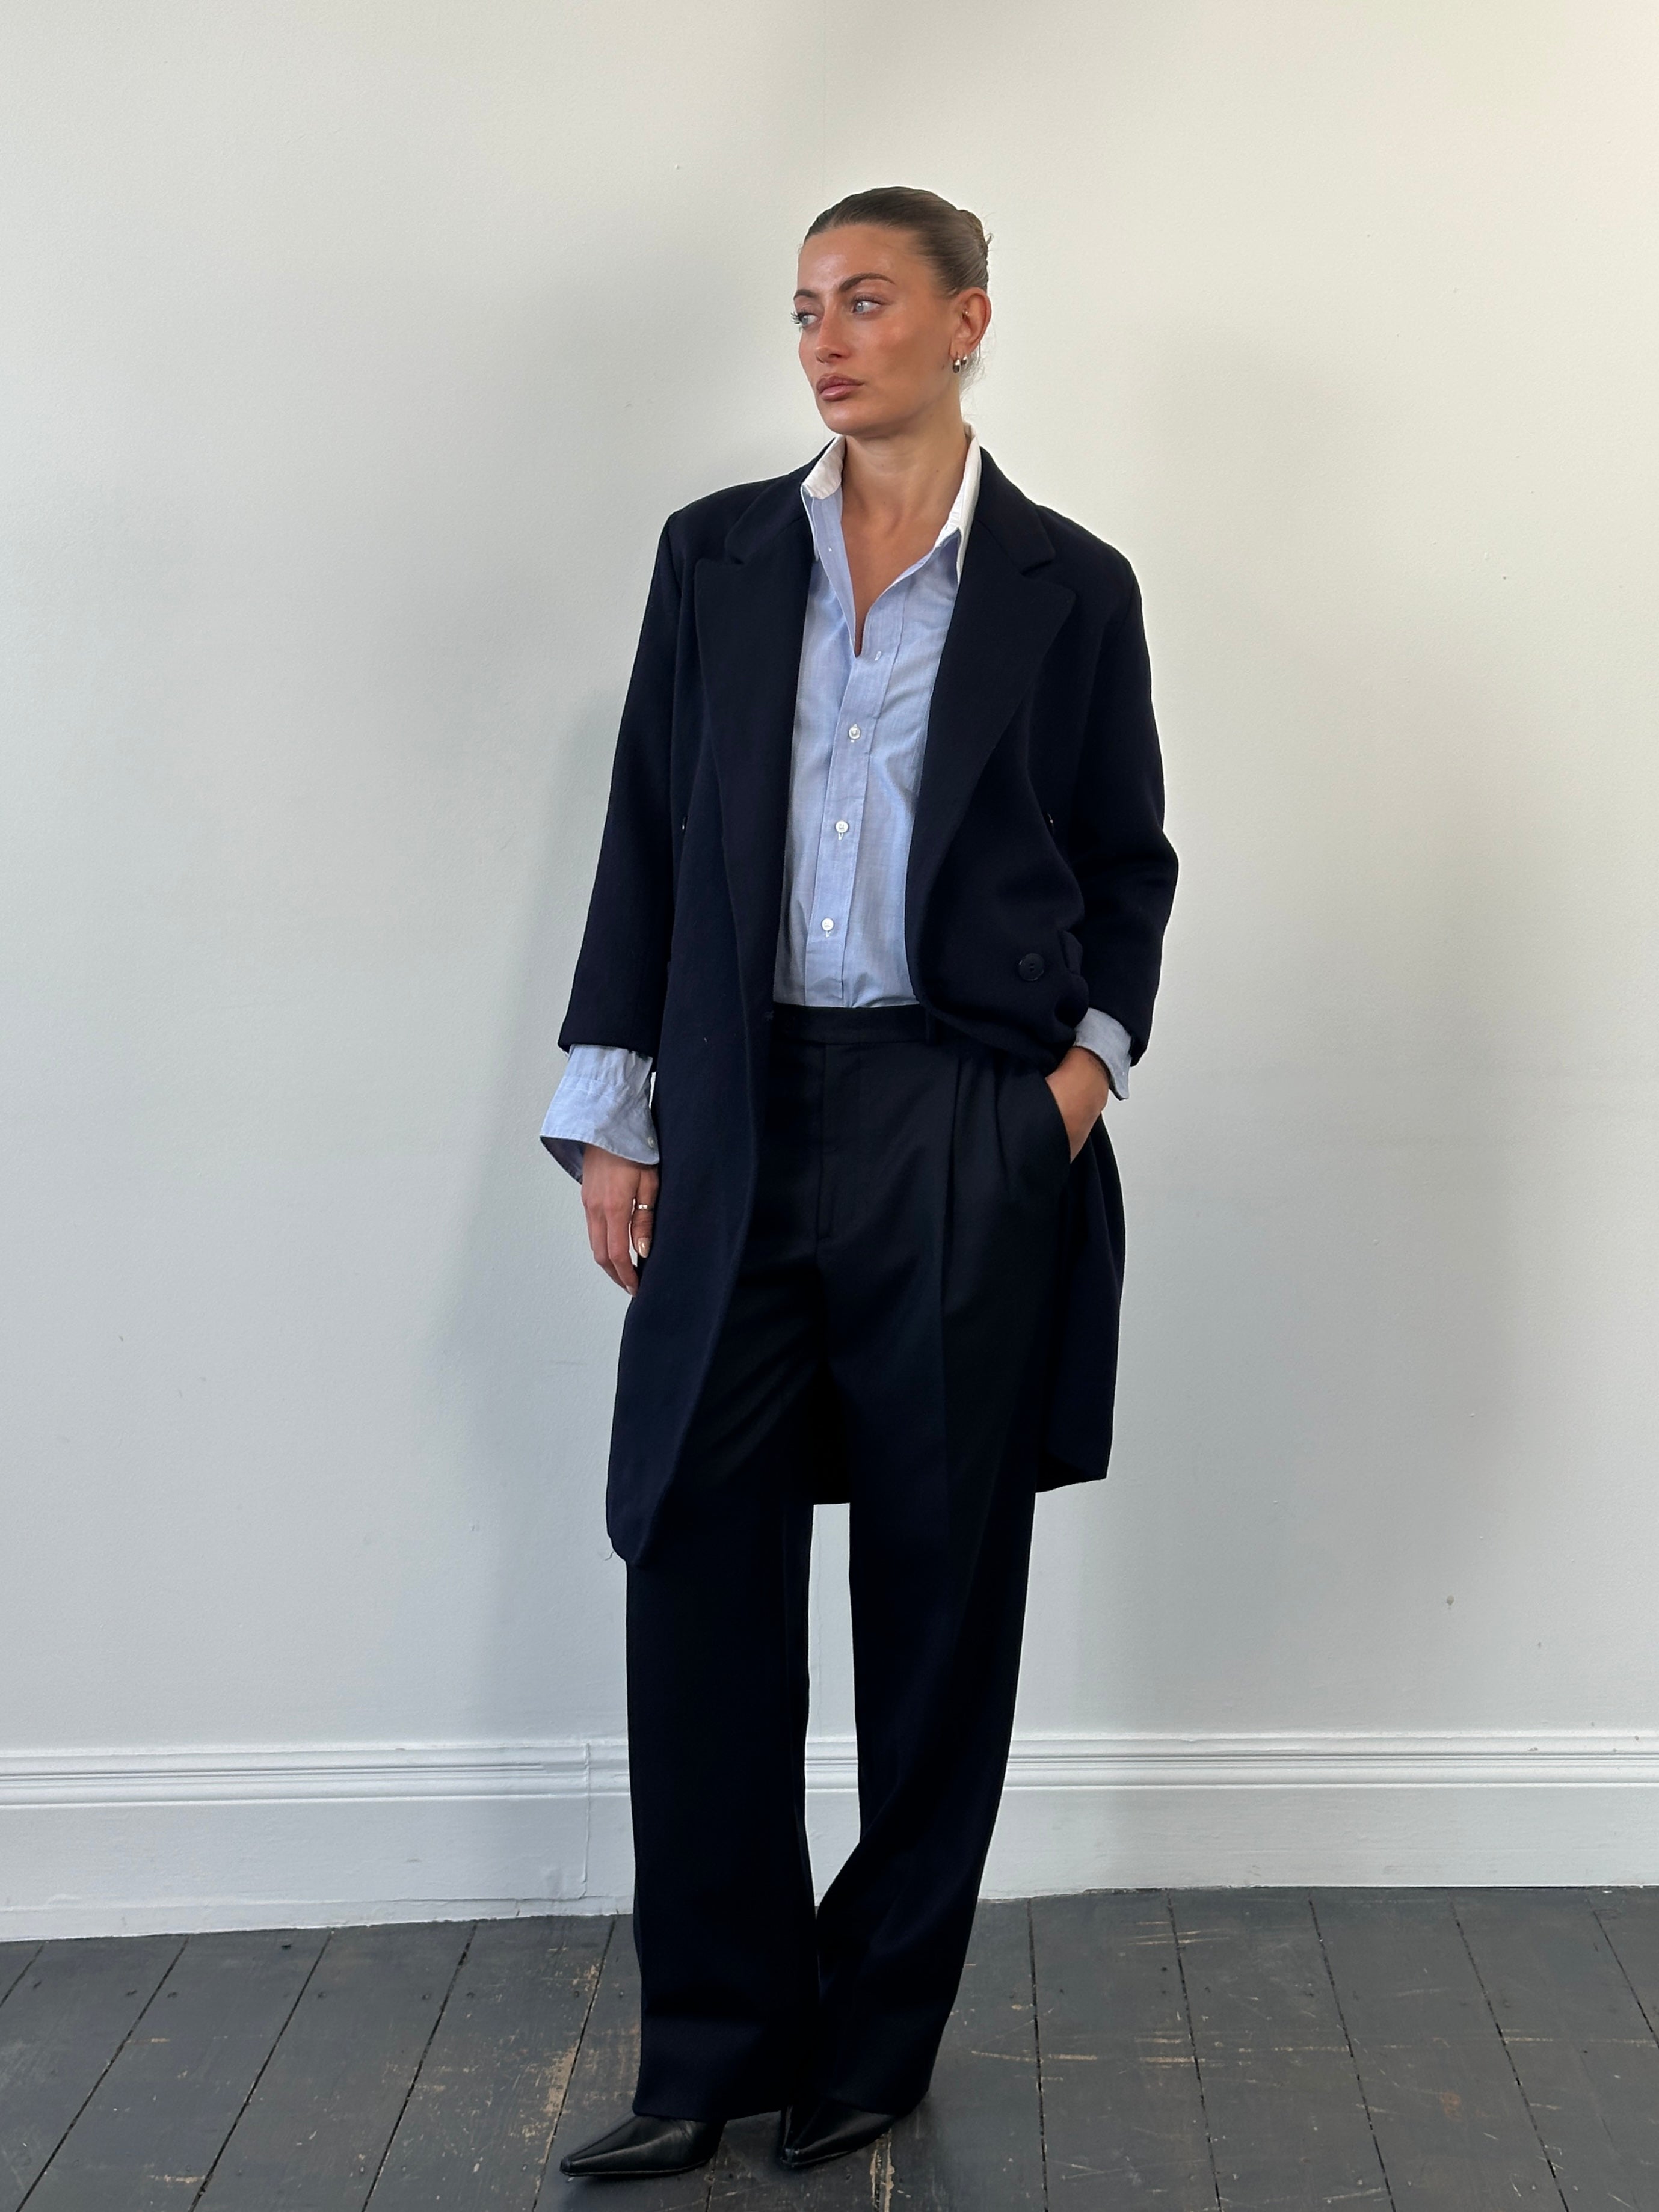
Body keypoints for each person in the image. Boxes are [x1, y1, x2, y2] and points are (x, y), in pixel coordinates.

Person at [541, 185, 1177, 2181]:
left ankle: (877, 2035)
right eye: (806, 306)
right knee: (695, 1556)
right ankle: (713, 2045)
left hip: (958, 1116)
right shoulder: (717, 556)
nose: (825, 338)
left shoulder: (1072, 586)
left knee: (935, 1592)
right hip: (740, 1109)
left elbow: (1129, 864)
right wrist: (615, 1108)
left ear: (967, 320)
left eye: (869, 299)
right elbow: (650, 826)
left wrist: (1069, 1091)